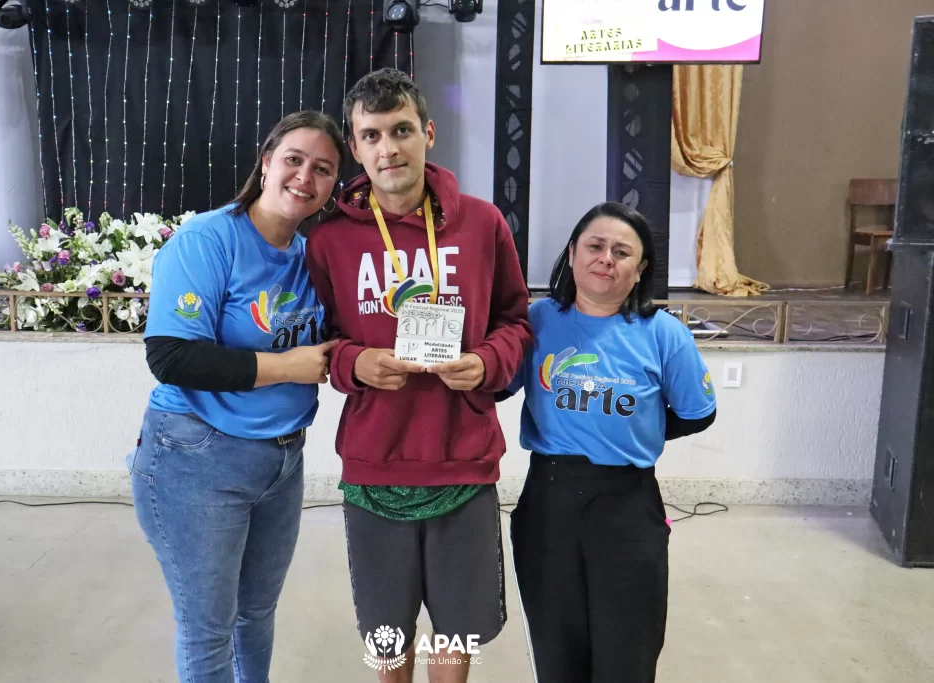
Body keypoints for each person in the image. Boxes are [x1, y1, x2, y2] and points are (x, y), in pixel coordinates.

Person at [305, 68, 533, 683]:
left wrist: (488, 362)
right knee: (387, 631)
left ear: (428, 133)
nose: (389, 148)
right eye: (372, 135)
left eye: (402, 130)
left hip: (463, 457)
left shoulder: (482, 224)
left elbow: (516, 322)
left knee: (456, 628)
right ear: (355, 148)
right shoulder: (329, 242)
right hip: (374, 460)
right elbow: (316, 339)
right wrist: (354, 362)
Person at [128, 110, 343, 683]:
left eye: (323, 169)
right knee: (209, 629)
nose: (305, 177)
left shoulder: (311, 257)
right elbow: (172, 356)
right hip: (197, 458)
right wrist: (288, 366)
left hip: (282, 459)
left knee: (257, 613)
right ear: (266, 162)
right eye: (294, 159)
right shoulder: (208, 239)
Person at [501, 202, 717, 683]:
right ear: (572, 254)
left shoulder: (664, 334)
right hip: (549, 501)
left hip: (627, 505)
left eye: (622, 252)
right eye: (595, 246)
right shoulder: (537, 321)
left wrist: (636, 431)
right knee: (557, 648)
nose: (606, 258)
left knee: (627, 650)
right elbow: (497, 385)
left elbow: (697, 414)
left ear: (639, 269)